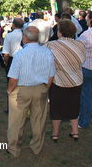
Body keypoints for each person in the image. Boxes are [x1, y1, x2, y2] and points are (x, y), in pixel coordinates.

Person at [7, 26, 55, 157]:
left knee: (16, 120)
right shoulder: (47, 52)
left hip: (21, 90)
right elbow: (51, 75)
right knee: (39, 119)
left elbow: (13, 78)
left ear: (25, 38)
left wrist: (9, 91)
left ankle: (14, 148)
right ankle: (37, 147)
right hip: (41, 88)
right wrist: (46, 88)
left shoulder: (20, 54)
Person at [45, 20, 86, 142]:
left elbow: (47, 63)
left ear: (60, 32)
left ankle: (55, 133)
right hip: (76, 81)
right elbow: (83, 60)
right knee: (74, 106)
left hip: (58, 82)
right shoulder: (80, 45)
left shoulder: (50, 45)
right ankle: (75, 131)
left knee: (56, 108)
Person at [2, 18, 24, 113]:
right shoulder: (25, 34)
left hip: (12, 59)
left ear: (14, 25)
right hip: (25, 60)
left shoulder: (9, 35)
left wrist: (6, 63)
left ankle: (11, 107)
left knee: (11, 83)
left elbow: (6, 53)